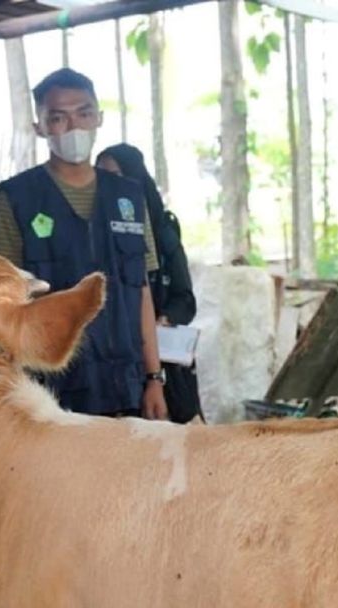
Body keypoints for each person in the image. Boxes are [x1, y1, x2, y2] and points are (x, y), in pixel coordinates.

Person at [0, 68, 167, 420]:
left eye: (84, 113)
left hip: (127, 385)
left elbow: (141, 291)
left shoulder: (129, 197)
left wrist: (154, 378)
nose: (73, 127)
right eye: (58, 117)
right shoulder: (17, 198)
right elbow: (4, 303)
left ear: (99, 118)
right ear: (39, 126)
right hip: (51, 391)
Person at [96, 142, 203, 423]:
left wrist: (161, 321)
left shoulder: (162, 232)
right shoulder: (92, 232)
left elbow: (185, 301)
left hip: (158, 364)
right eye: (100, 175)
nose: (108, 185)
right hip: (111, 367)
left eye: (115, 175)